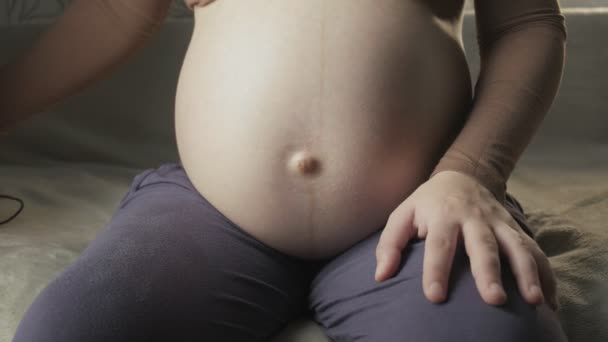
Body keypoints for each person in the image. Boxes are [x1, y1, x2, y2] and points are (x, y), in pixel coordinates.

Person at [1, 0, 569, 341]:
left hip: (421, 209)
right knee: (70, 332)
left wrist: (472, 173)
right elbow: (115, 10)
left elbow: (527, 22)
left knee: (495, 333)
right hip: (210, 210)